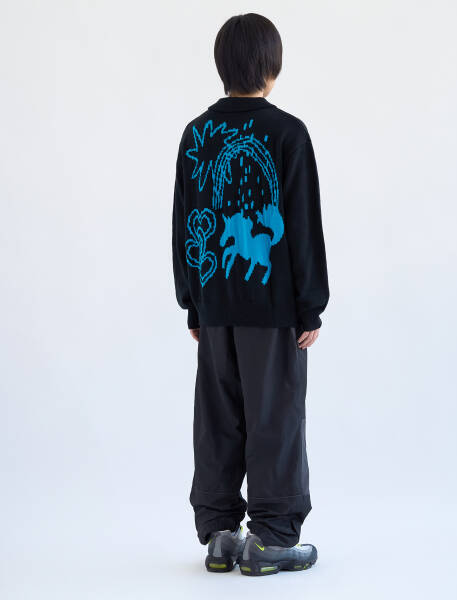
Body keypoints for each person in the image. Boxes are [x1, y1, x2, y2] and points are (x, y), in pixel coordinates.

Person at [172, 13, 329, 576]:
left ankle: (219, 535)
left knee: (218, 418)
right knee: (274, 416)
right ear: (272, 65)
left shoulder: (197, 134)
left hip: (215, 303)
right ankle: (271, 537)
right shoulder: (288, 133)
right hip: (272, 308)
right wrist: (311, 305)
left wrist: (192, 300)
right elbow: (301, 227)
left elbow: (185, 223)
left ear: (222, 65)